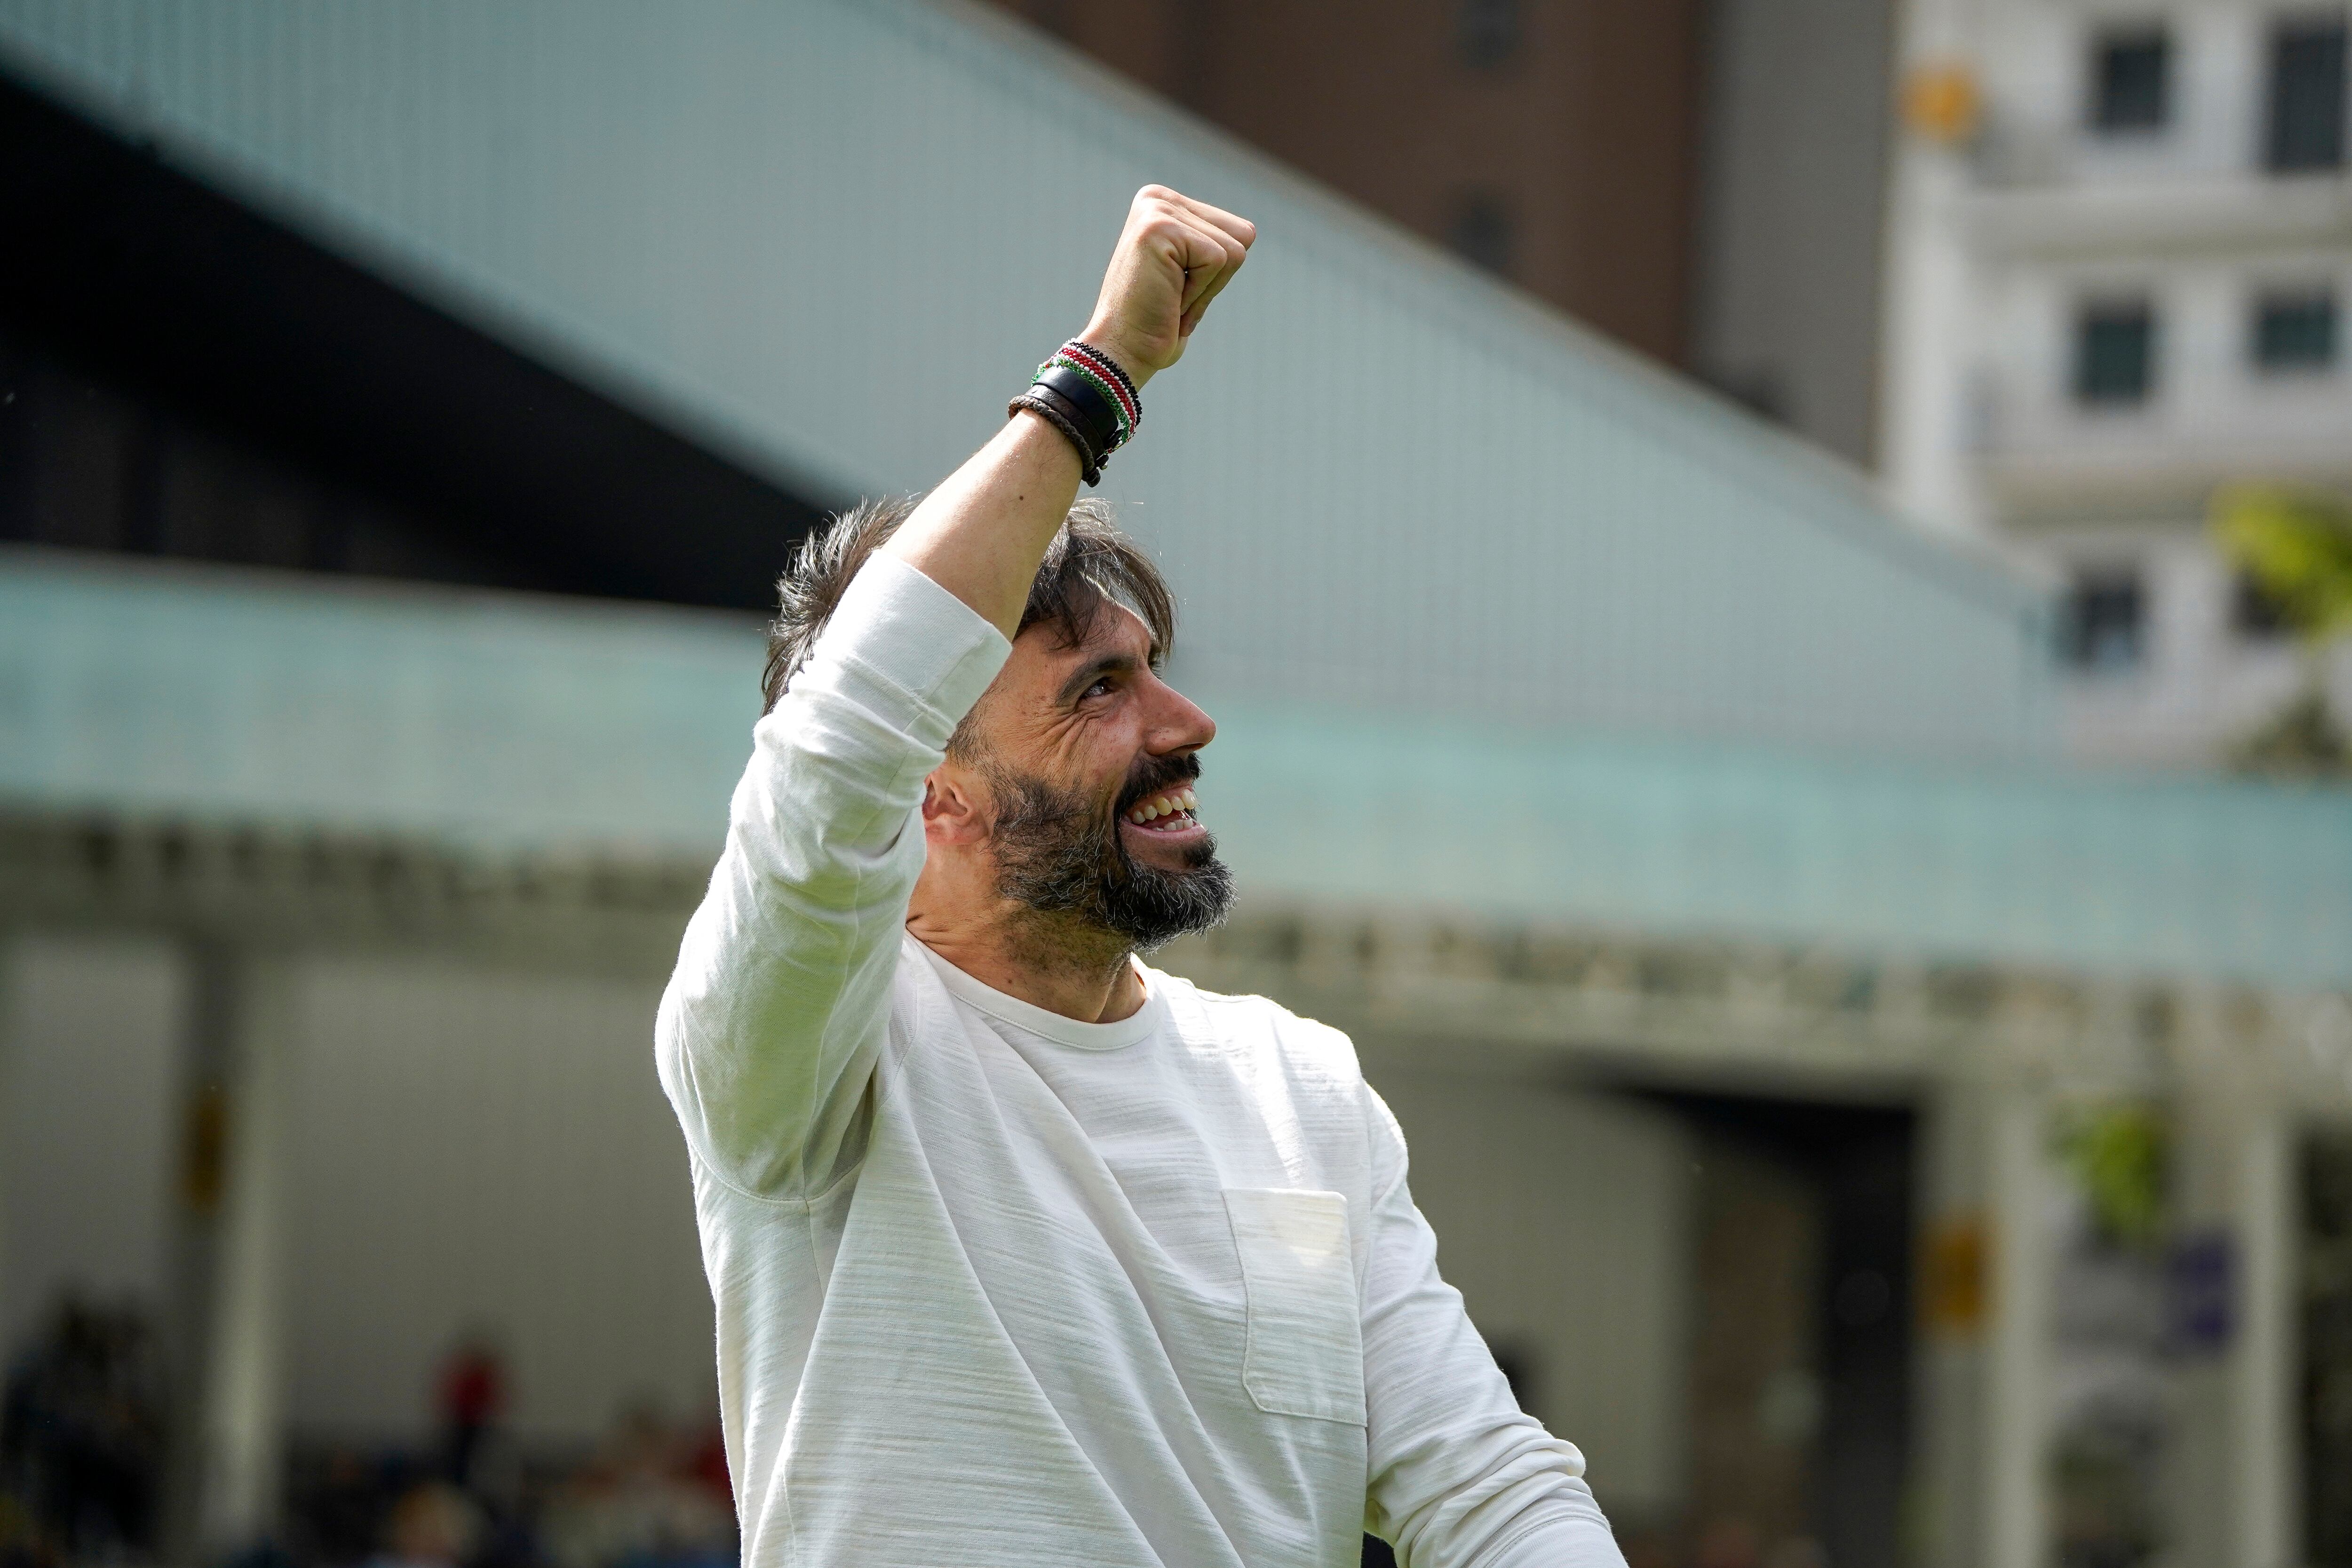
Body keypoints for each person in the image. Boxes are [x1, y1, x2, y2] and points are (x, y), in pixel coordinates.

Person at [657, 185, 1625, 1568]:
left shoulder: (1304, 1095)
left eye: (1157, 672)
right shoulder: (802, 1064)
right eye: (1100, 689)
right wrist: (1098, 379)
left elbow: (1485, 1489)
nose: (1185, 726)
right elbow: (835, 745)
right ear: (934, 793)